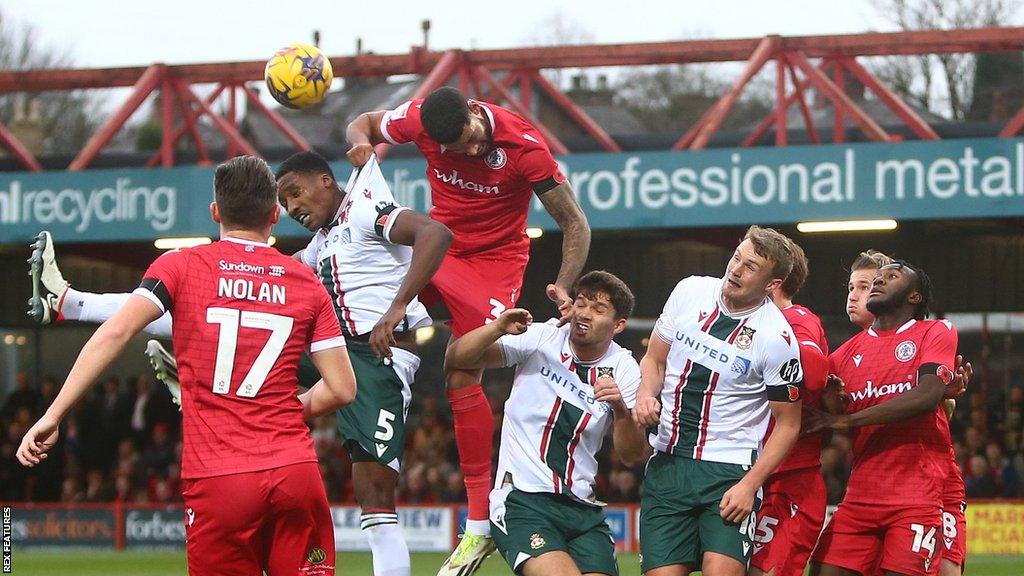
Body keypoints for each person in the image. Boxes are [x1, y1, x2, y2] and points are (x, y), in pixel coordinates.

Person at [30, 150, 454, 576]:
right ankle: (78, 306)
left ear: (215, 211)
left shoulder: (184, 264)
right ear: (273, 216)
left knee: (188, 312)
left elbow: (121, 330)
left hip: (221, 474)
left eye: (297, 194)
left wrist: (53, 415)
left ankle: (82, 308)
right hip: (295, 467)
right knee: (377, 503)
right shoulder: (305, 278)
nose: (293, 209)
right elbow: (341, 389)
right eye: (284, 203)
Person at [346, 85, 591, 570]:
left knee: (461, 365)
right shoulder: (417, 119)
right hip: (441, 247)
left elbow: (576, 224)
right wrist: (360, 149)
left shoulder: (524, 145)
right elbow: (366, 123)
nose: (473, 152)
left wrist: (564, 285)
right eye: (458, 151)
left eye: (474, 140)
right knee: (358, 302)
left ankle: (480, 524)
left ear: (477, 112)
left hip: (496, 261)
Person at [445, 271, 647, 576]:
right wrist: (497, 328)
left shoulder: (625, 368)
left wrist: (619, 408)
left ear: (618, 325)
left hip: (583, 509)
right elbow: (458, 358)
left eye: (598, 309)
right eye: (581, 303)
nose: (585, 314)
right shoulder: (543, 337)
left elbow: (632, 455)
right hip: (523, 501)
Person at [633, 225, 804, 576]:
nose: (736, 270)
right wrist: (645, 393)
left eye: (750, 266)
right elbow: (654, 358)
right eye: (736, 258)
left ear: (772, 284)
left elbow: (789, 424)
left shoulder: (778, 338)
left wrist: (749, 485)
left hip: (728, 473)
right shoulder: (689, 290)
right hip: (668, 462)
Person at [807, 261, 957, 576]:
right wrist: (833, 407)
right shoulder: (843, 356)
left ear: (915, 296)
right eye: (876, 277)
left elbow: (927, 396)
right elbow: (822, 418)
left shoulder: (934, 331)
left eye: (891, 276)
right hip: (860, 496)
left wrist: (844, 421)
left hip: (916, 495)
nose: (879, 281)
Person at [749, 238, 832, 576]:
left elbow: (813, 371)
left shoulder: (796, 320)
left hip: (790, 482)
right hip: (753, 477)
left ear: (774, 283)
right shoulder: (746, 324)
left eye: (753, 266)